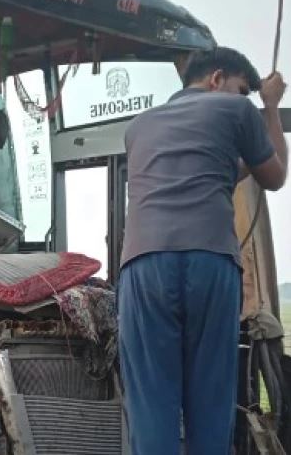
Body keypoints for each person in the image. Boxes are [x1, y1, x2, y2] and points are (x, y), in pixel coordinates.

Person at [118, 47, 287, 454]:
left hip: (143, 265)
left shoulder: (138, 127)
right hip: (209, 261)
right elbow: (275, 175)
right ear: (216, 78)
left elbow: (216, 169)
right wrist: (269, 106)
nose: (243, 97)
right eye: (241, 89)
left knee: (151, 404)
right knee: (210, 400)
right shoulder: (238, 111)